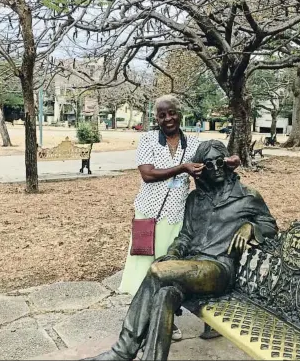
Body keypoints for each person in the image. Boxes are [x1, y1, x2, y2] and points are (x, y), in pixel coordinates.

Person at [84, 140, 278, 361]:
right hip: (191, 268)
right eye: (208, 164)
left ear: (226, 163)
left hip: (219, 270)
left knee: (158, 271)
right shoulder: (195, 199)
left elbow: (270, 226)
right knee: (165, 295)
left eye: (219, 162)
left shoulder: (247, 196)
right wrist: (174, 254)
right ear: (201, 168)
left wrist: (251, 227)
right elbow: (185, 236)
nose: (215, 168)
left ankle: (122, 351)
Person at [118, 95, 240, 341]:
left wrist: (230, 160)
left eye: (172, 113)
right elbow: (148, 174)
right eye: (162, 115)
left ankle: (169, 317)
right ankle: (146, 317)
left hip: (178, 217)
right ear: (157, 118)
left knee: (172, 268)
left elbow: (210, 161)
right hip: (149, 215)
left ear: (179, 113)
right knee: (145, 267)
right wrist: (183, 168)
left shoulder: (193, 143)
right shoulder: (149, 140)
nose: (168, 119)